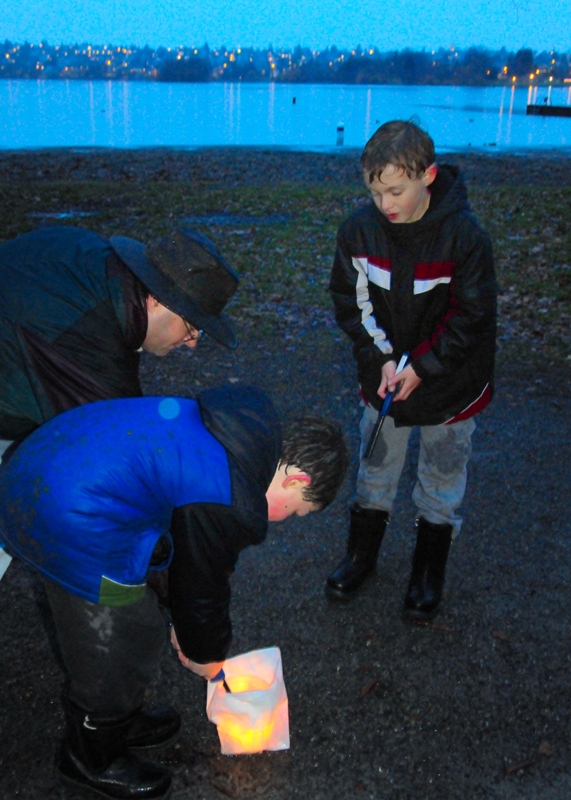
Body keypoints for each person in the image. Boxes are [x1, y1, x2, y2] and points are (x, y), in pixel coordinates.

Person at [0, 384, 348, 800]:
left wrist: (182, 620)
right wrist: (206, 655)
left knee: (142, 626)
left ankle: (120, 718)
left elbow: (180, 545)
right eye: (295, 510)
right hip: (63, 508)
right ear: (296, 478)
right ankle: (90, 756)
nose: (284, 520)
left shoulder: (243, 431)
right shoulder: (229, 493)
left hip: (52, 457)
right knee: (118, 641)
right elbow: (203, 584)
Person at [325, 120, 497, 621]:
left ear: (429, 175)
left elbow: (472, 316)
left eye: (396, 190)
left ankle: (428, 571)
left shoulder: (465, 238)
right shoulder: (358, 232)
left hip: (451, 385)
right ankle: (362, 557)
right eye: (375, 191)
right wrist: (379, 359)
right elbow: (350, 304)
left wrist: (423, 366)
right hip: (383, 383)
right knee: (376, 464)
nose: (385, 204)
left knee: (442, 475)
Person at [0, 224, 239, 578]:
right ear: (158, 299)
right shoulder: (91, 342)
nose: (192, 343)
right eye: (192, 327)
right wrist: (171, 598)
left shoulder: (93, 261)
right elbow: (120, 474)